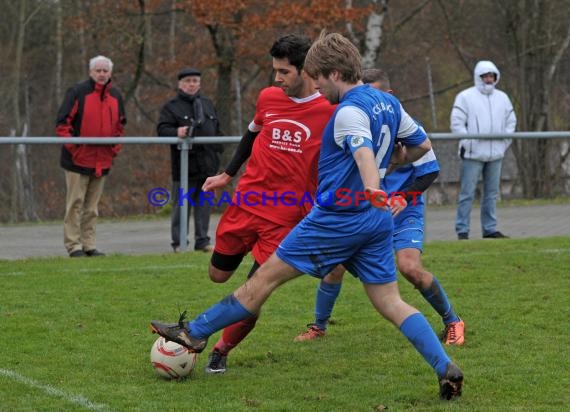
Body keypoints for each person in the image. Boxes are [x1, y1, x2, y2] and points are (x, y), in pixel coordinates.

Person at [151, 32, 463, 400]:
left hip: (335, 218)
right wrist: (389, 165)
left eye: (317, 78)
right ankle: (445, 366)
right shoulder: (387, 103)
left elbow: (362, 152)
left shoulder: (347, 111)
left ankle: (194, 333)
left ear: (333, 73)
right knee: (391, 302)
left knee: (261, 281)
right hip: (375, 222)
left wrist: (371, 182)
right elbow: (421, 146)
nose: (315, 86)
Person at [295, 68, 465, 346]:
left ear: (388, 95)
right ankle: (319, 326)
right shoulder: (355, 121)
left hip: (403, 208)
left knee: (409, 267)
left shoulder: (406, 126)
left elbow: (429, 170)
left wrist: (402, 197)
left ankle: (453, 321)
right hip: (368, 211)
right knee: (334, 267)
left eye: (373, 93)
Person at [199, 33, 336, 374]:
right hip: (246, 205)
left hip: (285, 218)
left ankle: (221, 349)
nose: (277, 78)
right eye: (274, 70)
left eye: (284, 72)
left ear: (306, 71)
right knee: (218, 275)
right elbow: (252, 133)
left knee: (255, 290)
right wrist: (227, 174)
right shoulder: (268, 98)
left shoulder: (330, 111)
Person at [56, 55, 126, 258]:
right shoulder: (77, 92)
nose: (102, 74)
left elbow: (120, 126)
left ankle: (89, 244)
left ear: (110, 73)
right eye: (98, 70)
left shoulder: (116, 96)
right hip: (77, 160)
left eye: (105, 71)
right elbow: (62, 124)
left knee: (92, 207)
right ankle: (73, 245)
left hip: (102, 160)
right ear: (91, 72)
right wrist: (74, 148)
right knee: (75, 203)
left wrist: (113, 149)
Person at [157, 68, 224, 252]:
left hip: (208, 166)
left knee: (204, 207)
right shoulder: (171, 107)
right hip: (184, 166)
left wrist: (219, 153)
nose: (192, 84)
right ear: (180, 84)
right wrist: (176, 132)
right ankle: (179, 243)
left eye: (195, 80)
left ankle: (202, 241)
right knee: (182, 206)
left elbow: (217, 129)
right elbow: (162, 130)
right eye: (188, 81)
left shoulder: (208, 104)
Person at [451, 60, 517, 240]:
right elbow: (456, 123)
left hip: (496, 154)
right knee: (467, 193)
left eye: (491, 76)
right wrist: (468, 142)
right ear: (478, 77)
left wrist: (503, 143)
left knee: (492, 193)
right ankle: (462, 230)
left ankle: (489, 229)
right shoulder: (465, 97)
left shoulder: (503, 98)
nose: (488, 79)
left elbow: (511, 122)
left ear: (496, 77)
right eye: (485, 76)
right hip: (473, 154)